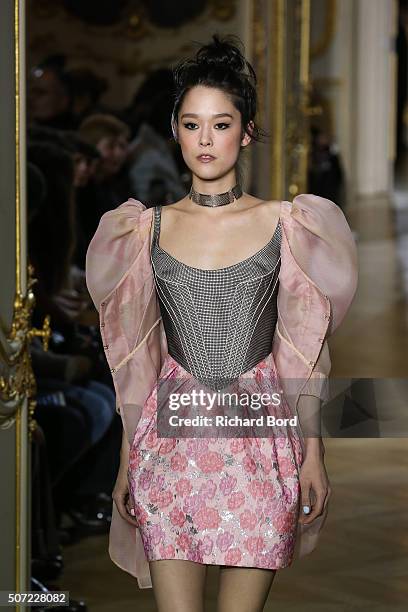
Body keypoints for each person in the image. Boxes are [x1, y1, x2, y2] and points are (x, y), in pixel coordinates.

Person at [85, 34, 358, 612]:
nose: (205, 139)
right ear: (175, 132)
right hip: (168, 450)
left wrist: (314, 454)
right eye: (191, 124)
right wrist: (122, 464)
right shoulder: (143, 230)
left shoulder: (289, 225)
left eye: (221, 123)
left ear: (247, 130)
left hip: (260, 448)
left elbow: (303, 352)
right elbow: (137, 360)